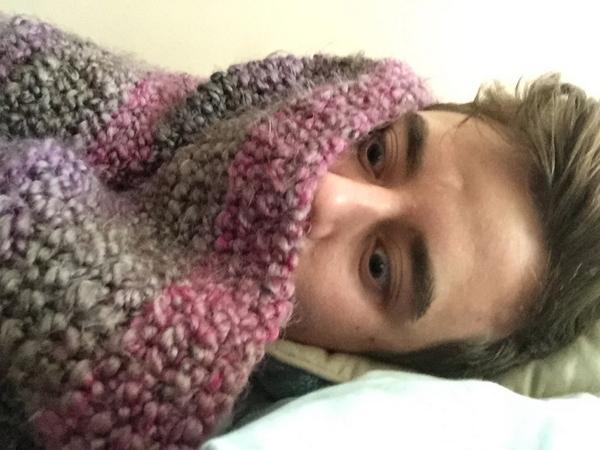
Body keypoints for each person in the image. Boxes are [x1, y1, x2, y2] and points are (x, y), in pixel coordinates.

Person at [1, 13, 599, 448]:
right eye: (376, 152)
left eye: (379, 267)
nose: (327, 192)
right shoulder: (141, 104)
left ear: (366, 358)